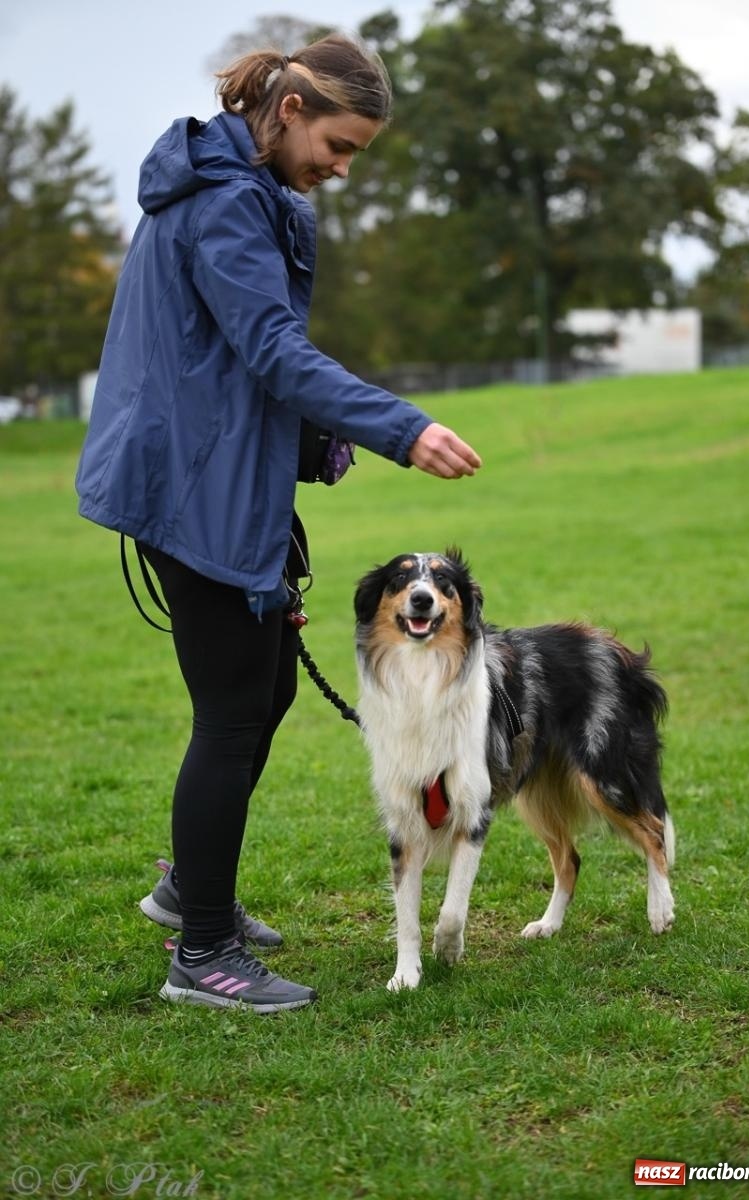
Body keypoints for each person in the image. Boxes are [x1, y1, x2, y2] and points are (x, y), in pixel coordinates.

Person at [75, 33, 481, 1015]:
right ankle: (202, 952)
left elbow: (243, 351)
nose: (341, 168)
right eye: (339, 144)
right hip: (191, 485)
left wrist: (303, 439)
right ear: (290, 108)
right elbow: (265, 347)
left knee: (263, 693)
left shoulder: (245, 193)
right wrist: (400, 426)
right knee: (229, 712)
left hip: (217, 471)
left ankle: (189, 890)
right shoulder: (224, 201)